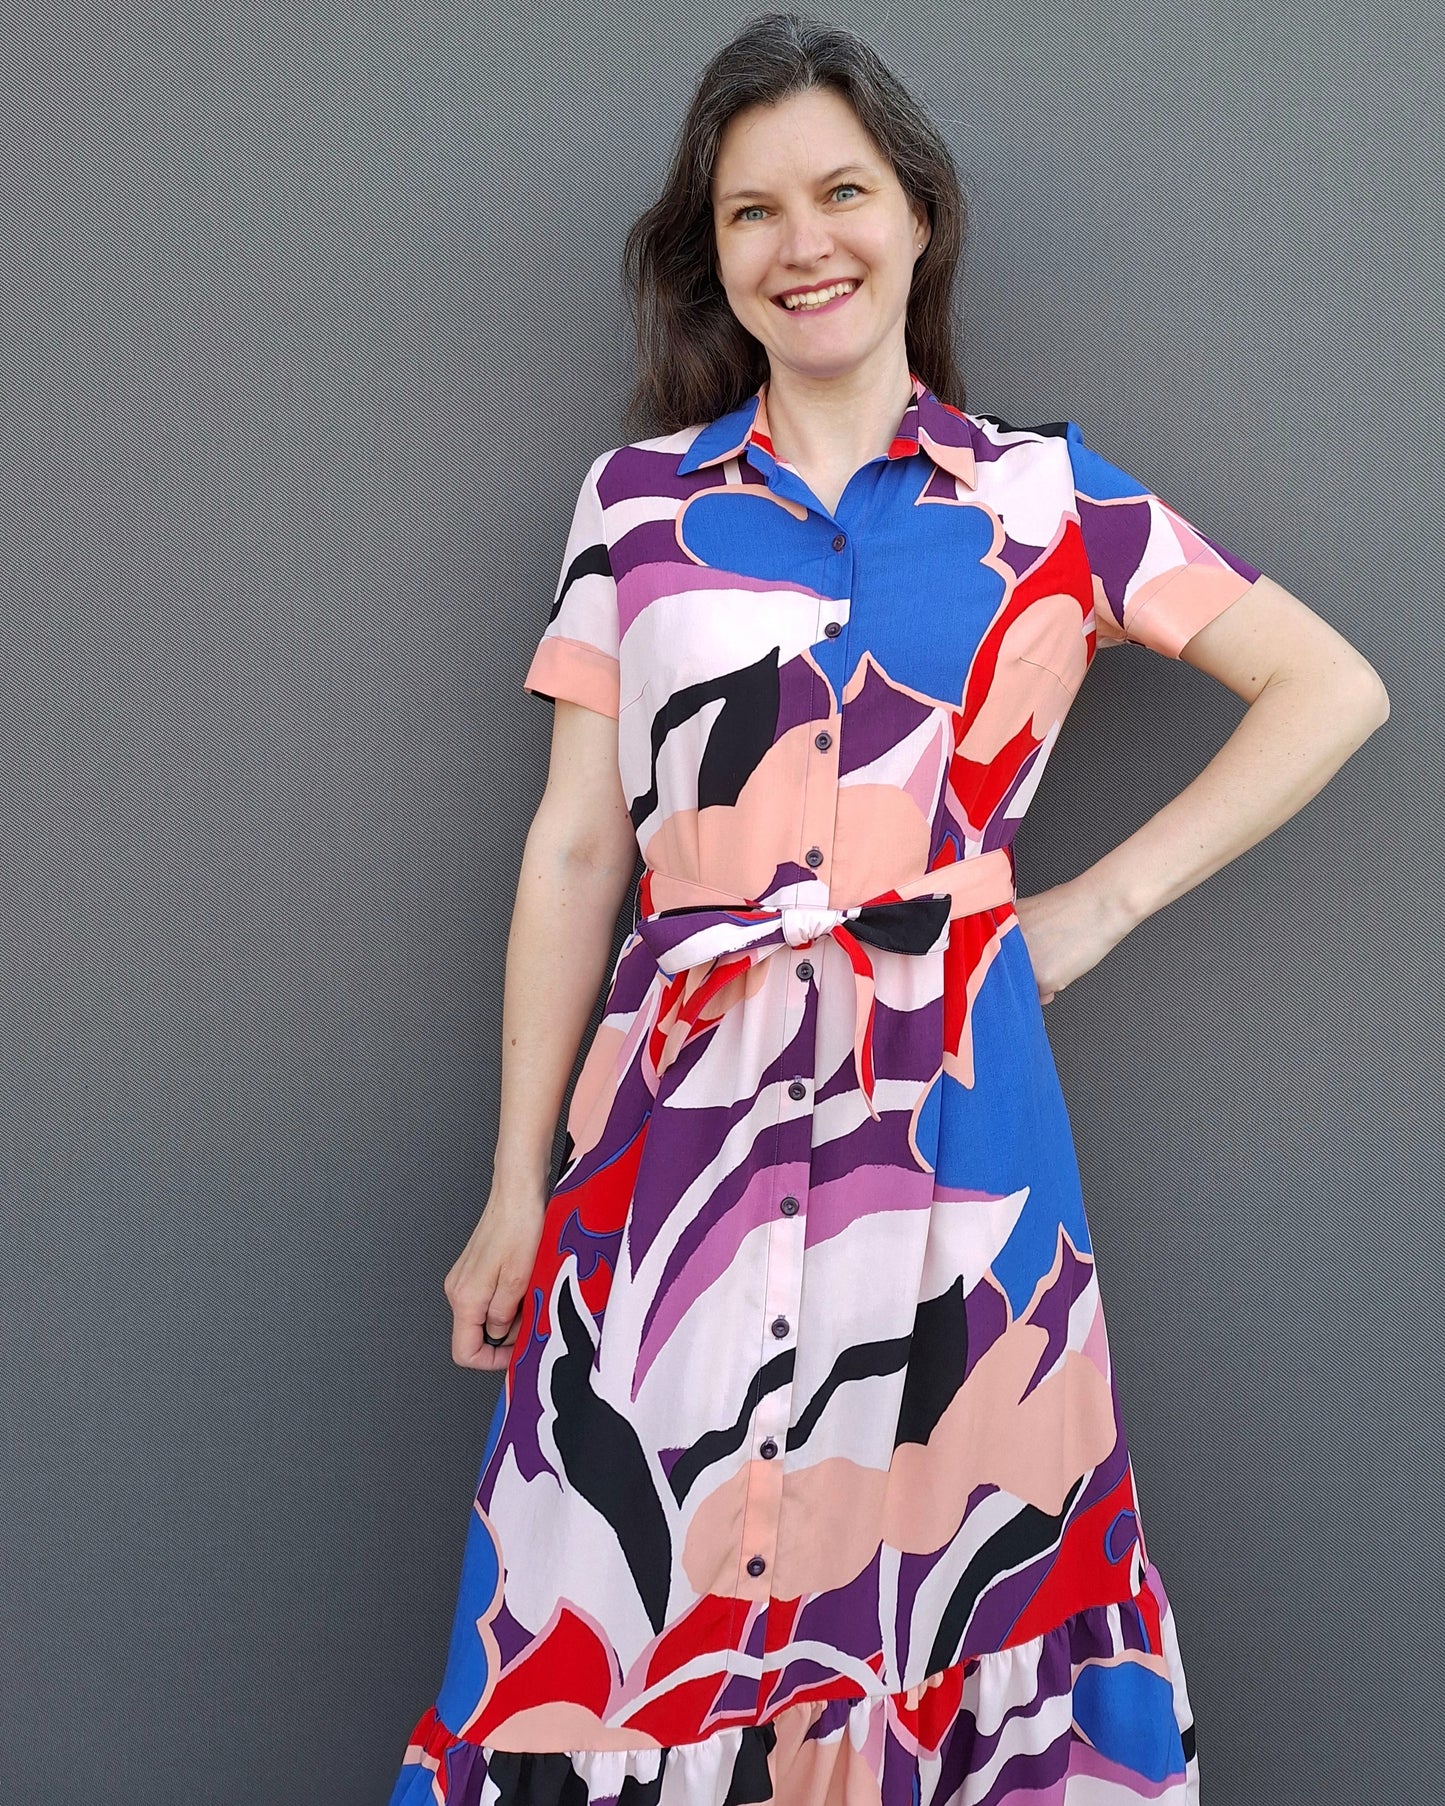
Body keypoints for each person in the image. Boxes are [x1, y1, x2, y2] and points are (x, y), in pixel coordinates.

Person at [386, 13, 1388, 1806]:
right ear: (714, 254)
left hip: (950, 1131)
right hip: (671, 1139)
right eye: (751, 210)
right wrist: (511, 1179)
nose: (803, 242)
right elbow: (575, 849)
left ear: (917, 215)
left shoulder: (1044, 498)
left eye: (841, 192)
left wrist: (1090, 907)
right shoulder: (635, 508)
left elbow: (1332, 687)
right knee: (619, 1571)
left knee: (953, 1566)